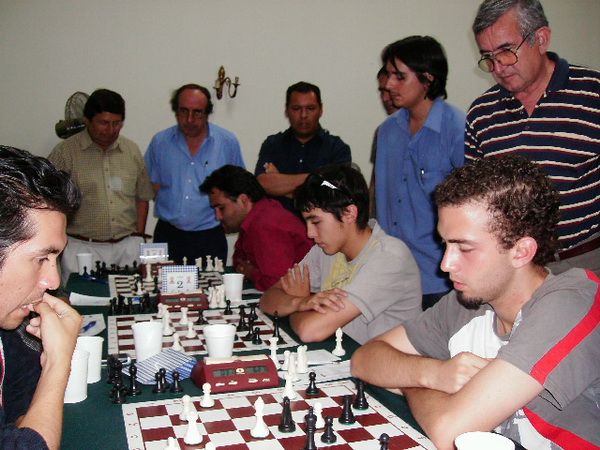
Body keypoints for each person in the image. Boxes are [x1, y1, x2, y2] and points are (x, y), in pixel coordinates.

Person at [352, 155, 600, 450]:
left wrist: (410, 382)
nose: (445, 264)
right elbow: (364, 359)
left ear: (521, 251)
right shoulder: (469, 302)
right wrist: (434, 374)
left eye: (464, 248)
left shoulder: (571, 303)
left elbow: (451, 432)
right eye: (445, 244)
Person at [465, 0, 600, 275]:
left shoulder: (593, 94)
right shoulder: (481, 114)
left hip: (589, 259)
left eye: (506, 51)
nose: (498, 67)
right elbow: (477, 199)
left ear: (541, 39)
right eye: (488, 56)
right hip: (519, 268)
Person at [260, 165, 421, 344]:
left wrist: (297, 304)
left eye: (316, 222)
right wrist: (299, 302)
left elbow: (309, 331)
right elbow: (268, 299)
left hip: (381, 359)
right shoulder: (326, 249)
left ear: (349, 213)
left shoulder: (389, 258)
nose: (310, 234)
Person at [0, 145, 83, 449]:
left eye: (56, 259)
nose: (53, 281)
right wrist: (57, 362)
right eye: (41, 259)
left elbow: (19, 409)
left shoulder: (8, 329)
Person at [375, 36, 465, 310]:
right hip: (391, 274)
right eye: (389, 75)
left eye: (399, 77)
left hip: (440, 278)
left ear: (427, 79)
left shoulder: (457, 129)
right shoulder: (387, 132)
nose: (389, 85)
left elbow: (472, 208)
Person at [49, 89, 154, 283]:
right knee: (81, 299)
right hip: (81, 247)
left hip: (127, 246)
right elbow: (49, 202)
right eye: (104, 123)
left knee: (130, 297)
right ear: (87, 121)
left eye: (117, 123)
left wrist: (138, 236)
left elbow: (142, 197)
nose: (111, 130)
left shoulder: (131, 150)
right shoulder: (65, 153)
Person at [145, 84, 245, 264]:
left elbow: (239, 189)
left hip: (210, 237)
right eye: (183, 111)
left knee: (211, 283)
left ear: (207, 113)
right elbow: (152, 186)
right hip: (168, 235)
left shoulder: (227, 142)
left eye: (197, 112)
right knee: (157, 282)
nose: (189, 119)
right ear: (176, 111)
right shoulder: (160, 142)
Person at [199, 165, 312, 291]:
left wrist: (250, 272)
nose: (218, 216)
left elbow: (276, 284)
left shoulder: (265, 224)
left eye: (221, 208)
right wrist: (249, 270)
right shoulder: (254, 217)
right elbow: (239, 261)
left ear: (243, 200)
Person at [254, 81, 351, 214]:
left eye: (310, 108)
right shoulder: (272, 144)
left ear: (321, 110)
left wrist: (281, 183)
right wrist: (318, 178)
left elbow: (335, 194)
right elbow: (263, 184)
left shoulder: (337, 148)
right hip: (277, 224)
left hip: (321, 226)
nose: (303, 115)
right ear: (287, 110)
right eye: (296, 108)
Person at [369, 66, 399, 219]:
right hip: (384, 224)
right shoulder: (382, 132)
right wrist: (369, 221)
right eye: (382, 91)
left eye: (390, 91)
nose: (385, 98)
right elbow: (375, 183)